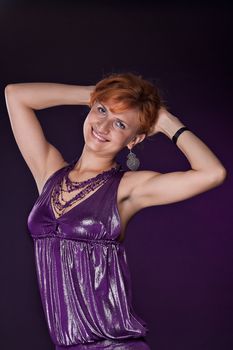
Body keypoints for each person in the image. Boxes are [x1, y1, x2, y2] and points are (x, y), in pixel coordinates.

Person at [4, 73, 227, 350]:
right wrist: (97, 94)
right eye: (101, 111)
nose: (103, 126)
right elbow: (16, 95)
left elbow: (212, 173)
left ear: (133, 140)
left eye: (120, 124)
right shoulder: (49, 172)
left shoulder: (128, 187)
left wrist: (167, 121)